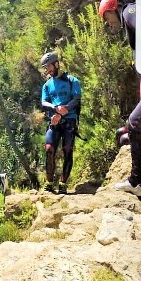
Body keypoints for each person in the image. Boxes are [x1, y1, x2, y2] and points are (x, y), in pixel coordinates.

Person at [98, 0, 141, 196]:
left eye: (107, 17)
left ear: (113, 7)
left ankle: (135, 182)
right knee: (127, 132)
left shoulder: (129, 11)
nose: (109, 22)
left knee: (134, 124)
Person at [40, 51, 82, 194]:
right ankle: (49, 183)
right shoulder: (47, 85)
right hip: (54, 121)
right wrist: (54, 109)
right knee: (49, 148)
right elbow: (44, 101)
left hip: (69, 120)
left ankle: (63, 184)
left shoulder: (72, 80)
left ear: (56, 64)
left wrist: (65, 109)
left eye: (49, 67)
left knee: (67, 150)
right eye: (46, 68)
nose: (48, 70)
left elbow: (76, 99)